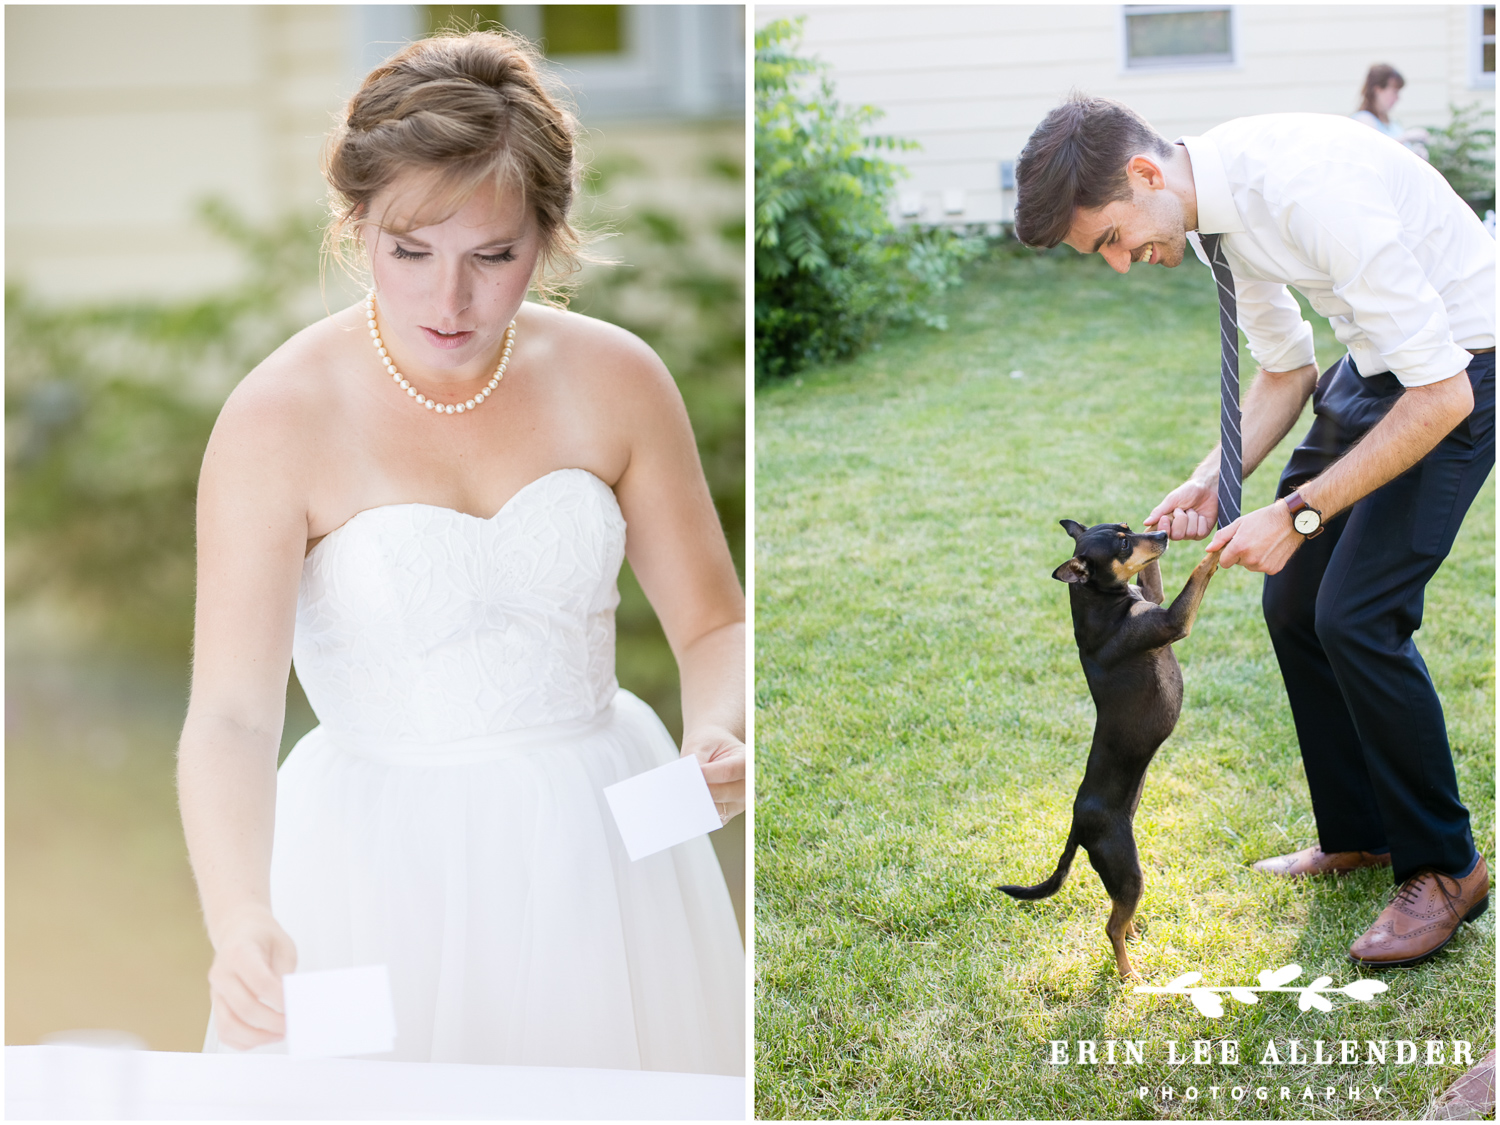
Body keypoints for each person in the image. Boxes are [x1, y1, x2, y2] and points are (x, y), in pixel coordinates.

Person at [176, 30, 746, 1072]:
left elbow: (716, 622)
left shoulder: (619, 378)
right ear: (356, 227)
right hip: (376, 858)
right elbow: (230, 714)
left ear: (549, 235)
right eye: (411, 253)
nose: (452, 302)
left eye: (494, 256)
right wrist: (239, 913)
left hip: (602, 841)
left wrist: (715, 727)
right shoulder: (276, 419)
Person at [1012, 94, 1494, 969]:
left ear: (1146, 175)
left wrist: (1300, 510)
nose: (1123, 265)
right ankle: (1360, 833)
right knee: (1295, 602)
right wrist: (1210, 480)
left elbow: (1444, 394)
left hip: (1459, 365)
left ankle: (1447, 867)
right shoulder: (1209, 213)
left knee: (1357, 613)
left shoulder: (1307, 191)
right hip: (1377, 364)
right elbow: (1287, 369)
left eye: (1112, 238)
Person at [1350, 63, 1430, 160]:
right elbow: (1375, 151)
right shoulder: (1363, 119)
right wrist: (1406, 137)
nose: (1397, 98)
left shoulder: (1394, 125)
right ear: (1377, 90)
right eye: (1394, 91)